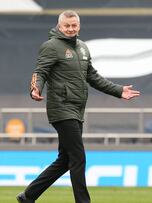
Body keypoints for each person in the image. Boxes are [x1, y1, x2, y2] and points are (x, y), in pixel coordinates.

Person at [16, 10, 140, 203]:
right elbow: (40, 72)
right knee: (78, 157)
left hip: (77, 109)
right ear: (60, 26)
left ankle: (28, 196)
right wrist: (35, 89)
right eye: (67, 26)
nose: (71, 29)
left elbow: (93, 77)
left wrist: (118, 90)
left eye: (74, 25)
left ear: (79, 26)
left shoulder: (83, 48)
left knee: (65, 160)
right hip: (61, 109)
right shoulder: (51, 46)